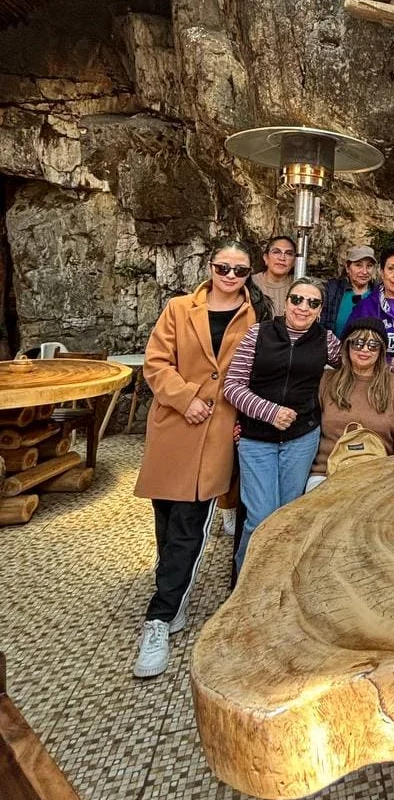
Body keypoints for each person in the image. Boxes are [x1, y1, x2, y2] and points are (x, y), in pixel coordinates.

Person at [132, 237, 270, 679]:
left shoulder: (257, 315)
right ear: (210, 268)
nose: (230, 277)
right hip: (175, 423)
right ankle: (171, 592)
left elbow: (260, 369)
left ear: (250, 274)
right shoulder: (178, 308)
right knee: (166, 517)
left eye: (239, 270)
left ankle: (160, 615)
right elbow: (156, 362)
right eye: (223, 268)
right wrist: (185, 396)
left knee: (191, 522)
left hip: (218, 428)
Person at [224, 277, 341, 571]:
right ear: (285, 302)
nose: (304, 307)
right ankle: (245, 582)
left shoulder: (326, 340)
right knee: (261, 516)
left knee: (288, 514)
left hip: (301, 438)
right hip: (257, 437)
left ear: (320, 310)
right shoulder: (258, 334)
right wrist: (269, 411)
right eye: (297, 299)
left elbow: (361, 360)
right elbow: (233, 385)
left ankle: (277, 580)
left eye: (313, 302)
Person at [311, 317, 394, 480]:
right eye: (358, 343)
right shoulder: (326, 381)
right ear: (347, 346)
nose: (365, 350)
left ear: (381, 350)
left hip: (380, 475)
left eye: (373, 345)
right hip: (327, 473)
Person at [320, 245, 377, 339]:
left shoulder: (379, 293)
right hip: (334, 351)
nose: (364, 271)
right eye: (358, 265)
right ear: (347, 267)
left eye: (369, 266)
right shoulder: (332, 291)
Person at [251, 234, 296, 317]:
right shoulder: (250, 283)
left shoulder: (299, 284)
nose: (282, 258)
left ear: (294, 262)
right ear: (265, 258)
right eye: (276, 252)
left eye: (289, 253)